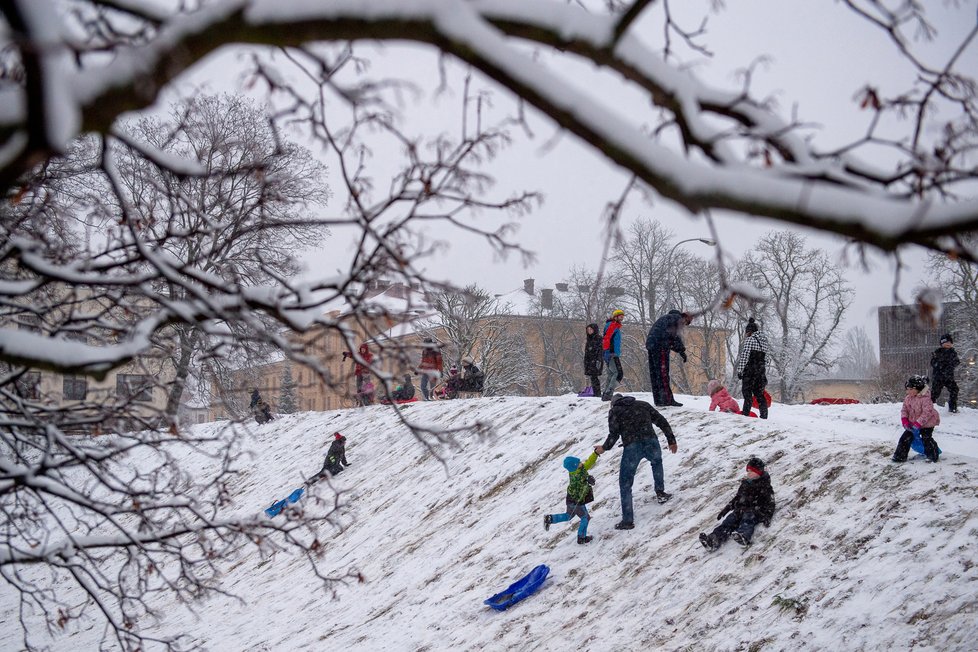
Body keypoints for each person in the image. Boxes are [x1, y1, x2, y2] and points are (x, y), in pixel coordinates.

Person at [594, 394, 678, 530]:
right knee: (656, 463)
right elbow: (661, 421)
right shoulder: (642, 405)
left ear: (614, 404)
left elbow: (614, 434)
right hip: (651, 441)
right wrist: (671, 440)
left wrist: (603, 448)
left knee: (625, 483)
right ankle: (661, 493)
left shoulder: (615, 411)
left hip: (632, 447)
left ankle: (627, 521)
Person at [699, 457, 775, 550]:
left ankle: (744, 536)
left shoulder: (765, 486)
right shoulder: (745, 484)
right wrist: (727, 508)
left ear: (758, 473)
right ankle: (713, 540)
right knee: (729, 521)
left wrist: (767, 516)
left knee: (748, 519)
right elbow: (738, 497)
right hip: (741, 510)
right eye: (748, 471)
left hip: (756, 511)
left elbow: (771, 502)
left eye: (752, 471)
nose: (748, 473)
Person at [543, 451, 599, 544]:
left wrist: (595, 454)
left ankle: (550, 518)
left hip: (570, 499)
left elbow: (589, 462)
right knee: (585, 518)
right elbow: (580, 484)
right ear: (575, 466)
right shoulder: (577, 477)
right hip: (576, 501)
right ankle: (581, 538)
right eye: (579, 463)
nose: (581, 463)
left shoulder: (577, 470)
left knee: (569, 515)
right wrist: (588, 480)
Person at [645, 309, 692, 407]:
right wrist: (682, 351)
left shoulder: (666, 319)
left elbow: (672, 337)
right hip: (660, 345)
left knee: (655, 374)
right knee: (663, 374)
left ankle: (659, 400)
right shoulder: (677, 319)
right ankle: (667, 400)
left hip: (651, 344)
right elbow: (675, 338)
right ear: (684, 318)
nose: (684, 325)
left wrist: (680, 350)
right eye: (687, 323)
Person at [892, 375, 941, 463]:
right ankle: (899, 456)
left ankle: (932, 455)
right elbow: (904, 409)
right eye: (907, 389)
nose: (908, 391)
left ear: (918, 388)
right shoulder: (908, 398)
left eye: (911, 389)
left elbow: (927, 412)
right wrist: (905, 420)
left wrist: (918, 424)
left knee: (926, 438)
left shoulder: (925, 398)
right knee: (905, 438)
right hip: (913, 423)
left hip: (927, 423)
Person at [735, 317, 769, 419]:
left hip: (750, 370)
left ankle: (745, 415)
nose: (746, 335)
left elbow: (745, 356)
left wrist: (740, 370)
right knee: (759, 394)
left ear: (749, 332)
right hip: (760, 371)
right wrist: (760, 366)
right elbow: (767, 359)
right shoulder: (764, 341)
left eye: (746, 333)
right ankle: (764, 416)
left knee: (747, 394)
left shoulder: (750, 340)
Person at [930, 333, 960, 413]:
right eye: (945, 343)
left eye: (949, 343)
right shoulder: (938, 352)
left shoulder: (953, 352)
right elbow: (933, 363)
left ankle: (952, 407)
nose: (947, 344)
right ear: (941, 344)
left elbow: (957, 361)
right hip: (938, 377)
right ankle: (929, 407)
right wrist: (940, 362)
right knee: (935, 393)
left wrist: (950, 364)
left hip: (949, 377)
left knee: (954, 390)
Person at [600, 309, 625, 401]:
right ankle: (608, 393)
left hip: (610, 353)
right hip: (611, 353)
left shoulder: (615, 326)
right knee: (617, 373)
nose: (622, 318)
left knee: (611, 373)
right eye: (620, 316)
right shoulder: (612, 325)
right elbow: (607, 338)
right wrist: (609, 352)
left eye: (623, 316)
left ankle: (606, 394)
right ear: (615, 317)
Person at [583, 323, 604, 397]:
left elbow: (600, 350)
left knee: (594, 377)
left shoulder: (598, 339)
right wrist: (586, 362)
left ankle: (597, 393)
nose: (589, 331)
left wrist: (598, 360)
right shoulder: (589, 339)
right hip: (589, 361)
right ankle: (596, 392)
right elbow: (587, 352)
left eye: (591, 329)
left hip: (595, 361)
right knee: (592, 377)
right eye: (588, 330)